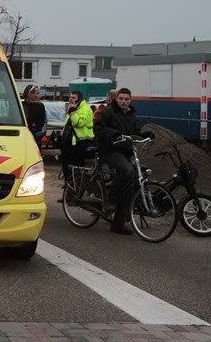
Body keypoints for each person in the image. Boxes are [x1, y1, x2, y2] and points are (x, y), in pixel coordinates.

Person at [94, 88, 154, 235]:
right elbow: (97, 129)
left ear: (130, 100)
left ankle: (118, 224)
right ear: (116, 99)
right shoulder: (108, 112)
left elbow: (132, 132)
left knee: (133, 179)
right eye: (121, 98)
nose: (123, 101)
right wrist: (114, 134)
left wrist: (143, 134)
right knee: (127, 170)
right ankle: (110, 199)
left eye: (126, 99)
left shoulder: (131, 113)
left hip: (124, 151)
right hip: (109, 150)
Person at [60, 90, 95, 175]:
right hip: (69, 142)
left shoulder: (85, 109)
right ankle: (67, 184)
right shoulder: (73, 108)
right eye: (70, 97)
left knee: (77, 166)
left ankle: (76, 184)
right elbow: (67, 124)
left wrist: (72, 112)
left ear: (79, 99)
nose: (71, 99)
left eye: (73, 97)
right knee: (66, 165)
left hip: (80, 142)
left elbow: (78, 123)